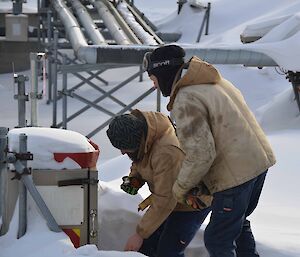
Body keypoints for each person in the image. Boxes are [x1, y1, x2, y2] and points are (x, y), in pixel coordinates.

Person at [142, 45, 276, 257]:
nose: (154, 86)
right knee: (236, 227)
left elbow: (201, 154)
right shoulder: (215, 82)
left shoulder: (186, 99)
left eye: (153, 79)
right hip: (258, 164)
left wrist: (180, 189)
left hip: (236, 176)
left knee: (218, 239)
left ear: (163, 73)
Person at [106, 109, 211, 257]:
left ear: (137, 141)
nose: (122, 153)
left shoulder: (167, 152)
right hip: (168, 197)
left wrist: (140, 234)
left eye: (124, 148)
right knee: (147, 248)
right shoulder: (146, 131)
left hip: (191, 203)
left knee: (169, 251)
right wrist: (135, 179)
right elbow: (140, 157)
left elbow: (166, 199)